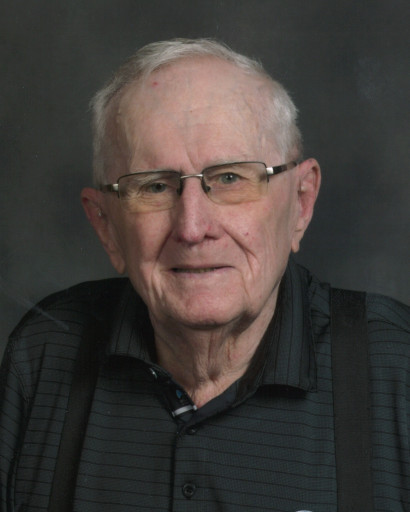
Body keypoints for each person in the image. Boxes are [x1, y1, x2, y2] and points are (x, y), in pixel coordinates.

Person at [0, 39, 409, 512]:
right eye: (155, 186)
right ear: (106, 225)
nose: (192, 228)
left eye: (231, 178)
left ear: (300, 202)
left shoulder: (395, 372)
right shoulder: (44, 355)